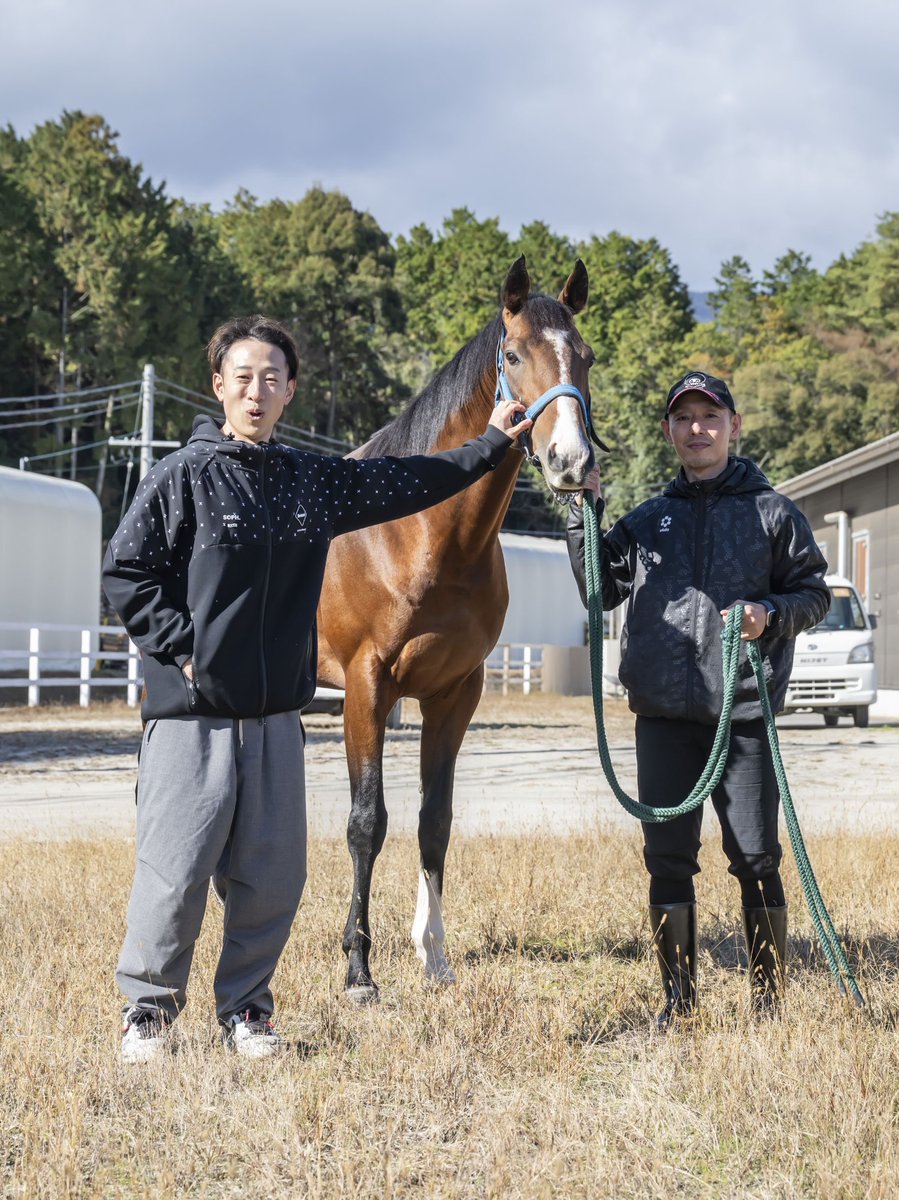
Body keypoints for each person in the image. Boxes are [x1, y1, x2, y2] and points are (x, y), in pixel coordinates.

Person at [103, 314, 533, 1063]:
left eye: (272, 378)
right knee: (176, 868)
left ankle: (246, 1011)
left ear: (290, 389)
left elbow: (407, 479)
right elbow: (125, 572)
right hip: (192, 715)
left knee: (271, 875)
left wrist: (490, 444)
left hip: (275, 716)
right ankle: (147, 1013)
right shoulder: (183, 476)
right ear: (219, 386)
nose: (256, 391)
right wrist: (183, 649)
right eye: (242, 377)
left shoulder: (310, 481)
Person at [566, 371, 829, 1024]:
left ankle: (767, 1004)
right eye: (683, 419)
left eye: (709, 417)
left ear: (733, 427)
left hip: (741, 719)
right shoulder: (649, 519)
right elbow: (598, 589)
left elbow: (814, 594)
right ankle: (677, 1004)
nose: (696, 429)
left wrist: (770, 613)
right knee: (666, 861)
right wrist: (582, 512)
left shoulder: (772, 513)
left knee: (754, 857)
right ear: (668, 432)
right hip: (662, 718)